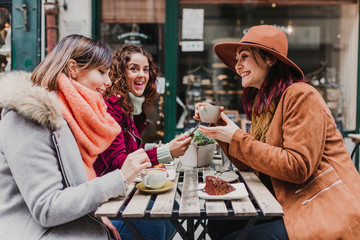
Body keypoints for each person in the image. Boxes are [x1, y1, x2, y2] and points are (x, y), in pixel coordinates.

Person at [194, 25, 360, 240]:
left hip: (321, 206)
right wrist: (220, 128)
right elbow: (251, 163)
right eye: (236, 59)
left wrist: (236, 137)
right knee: (218, 224)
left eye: (244, 57)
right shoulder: (265, 105)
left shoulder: (301, 95)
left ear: (270, 59)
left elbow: (298, 167)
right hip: (285, 200)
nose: (237, 65)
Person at [0, 34, 166, 240]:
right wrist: (120, 178)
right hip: (41, 233)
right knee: (154, 227)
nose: (108, 81)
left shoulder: (70, 117)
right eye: (102, 72)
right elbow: (46, 208)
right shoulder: (29, 116)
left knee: (160, 222)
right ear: (73, 69)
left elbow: (73, 190)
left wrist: (94, 216)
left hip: (74, 227)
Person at [94, 44, 192, 176]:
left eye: (145, 70)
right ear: (120, 73)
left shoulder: (128, 105)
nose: (142, 75)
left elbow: (131, 148)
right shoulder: (111, 106)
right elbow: (117, 164)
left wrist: (161, 148)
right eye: (134, 69)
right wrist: (167, 151)